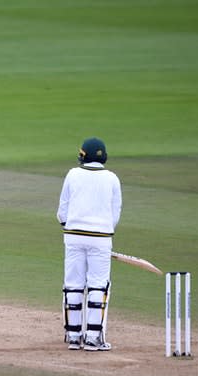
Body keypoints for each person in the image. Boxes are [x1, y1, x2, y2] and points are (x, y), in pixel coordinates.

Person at [56, 138, 122, 351]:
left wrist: (70, 227)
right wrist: (103, 233)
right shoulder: (112, 178)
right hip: (101, 238)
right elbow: (115, 214)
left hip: (73, 235)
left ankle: (73, 336)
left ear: (83, 155)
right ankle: (94, 337)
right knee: (98, 285)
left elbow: (62, 211)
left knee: (73, 284)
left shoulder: (72, 174)